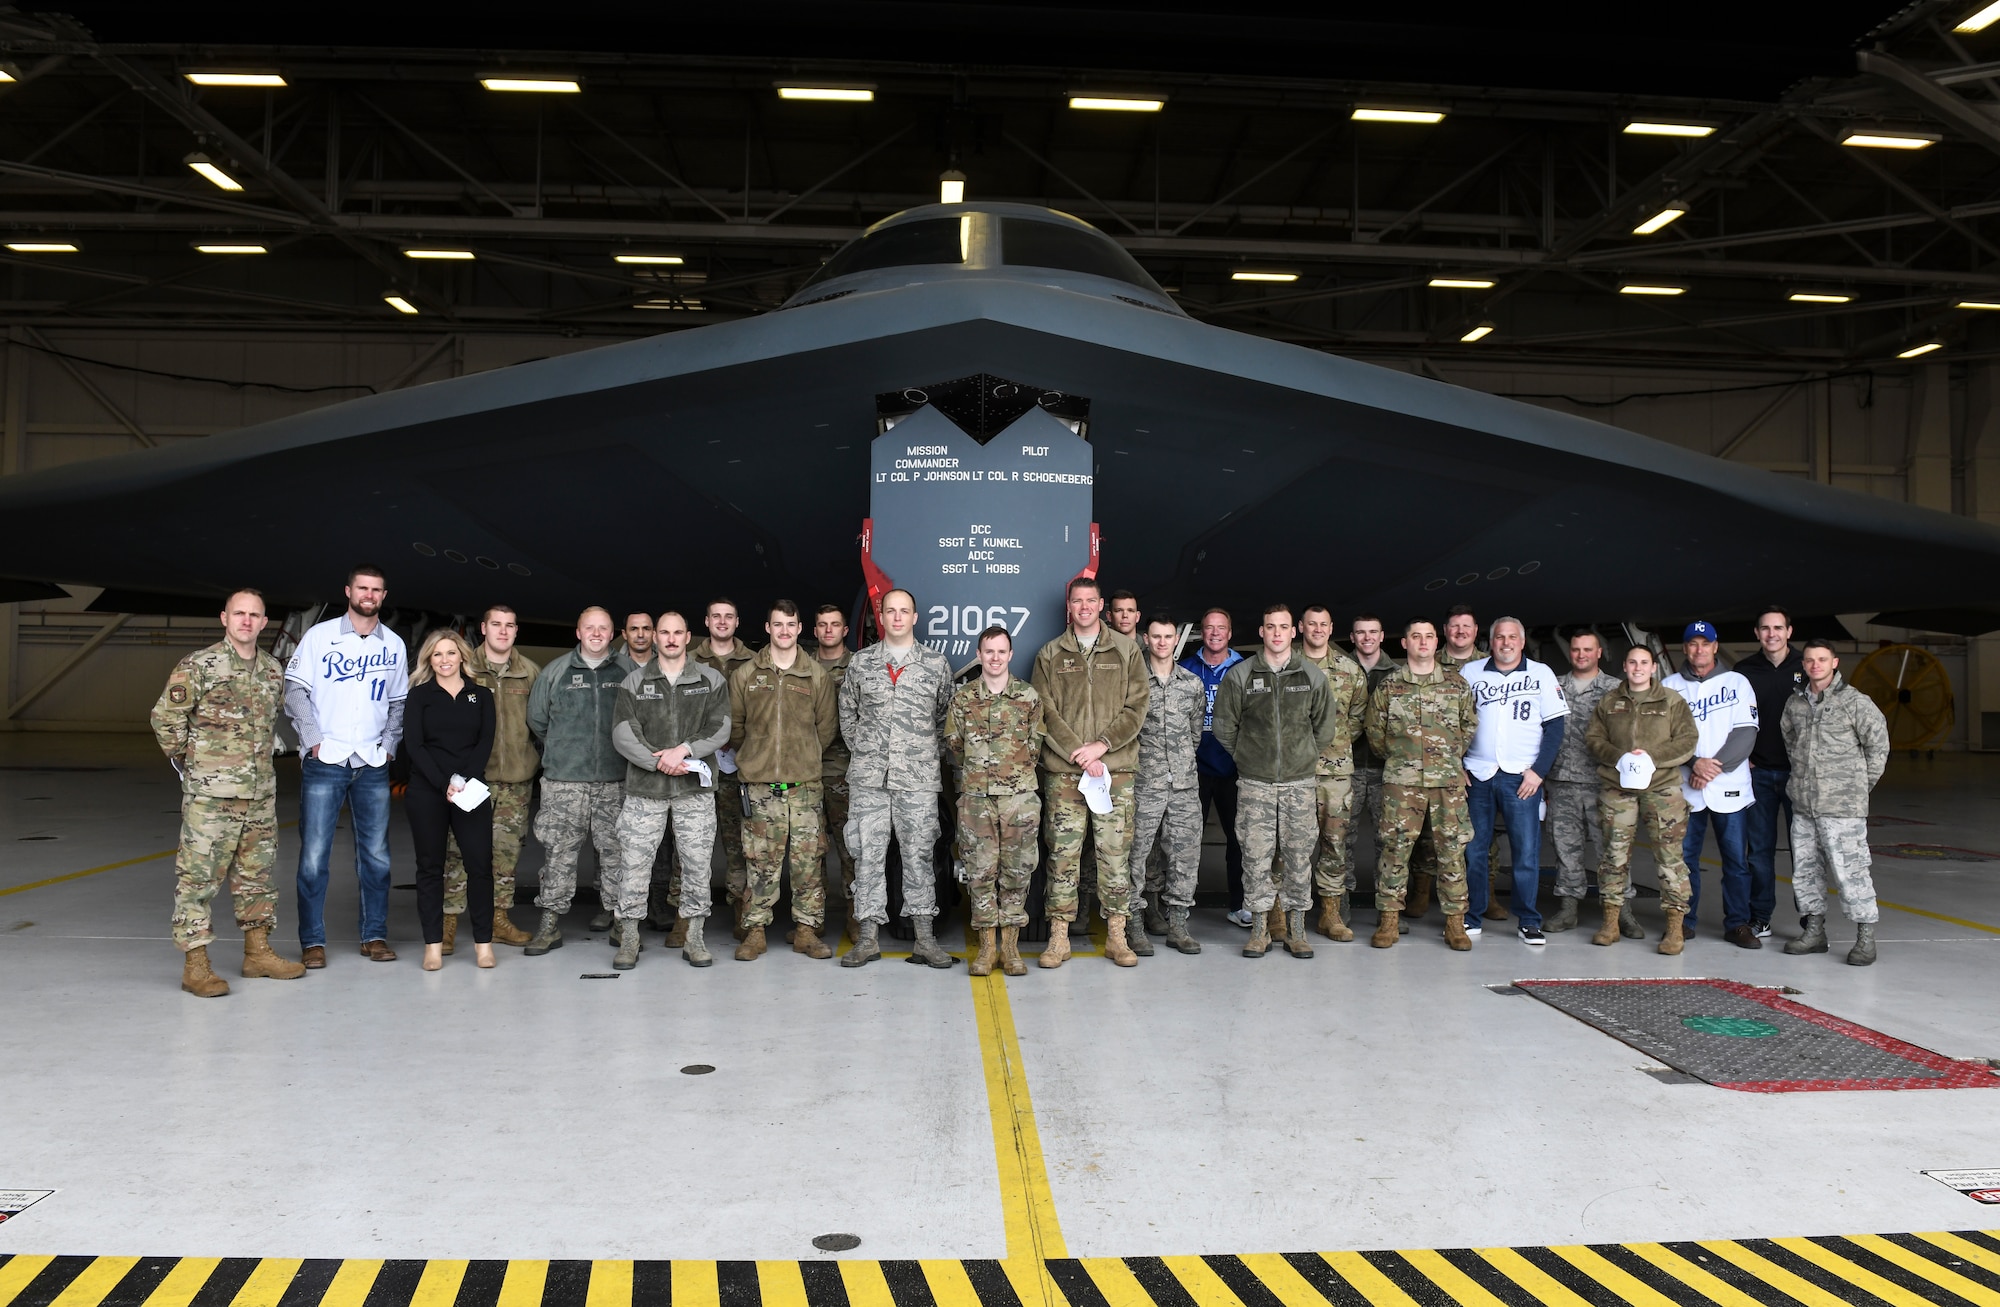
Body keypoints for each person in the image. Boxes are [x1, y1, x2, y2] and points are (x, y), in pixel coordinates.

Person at [150, 588, 305, 995]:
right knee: (198, 879)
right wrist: (195, 764)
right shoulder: (200, 665)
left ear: (264, 622)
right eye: (240, 614)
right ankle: (196, 964)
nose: (247, 621)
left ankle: (258, 953)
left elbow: (272, 723)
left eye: (255, 615)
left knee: (257, 876)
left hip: (259, 794)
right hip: (212, 796)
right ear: (225, 618)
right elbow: (166, 718)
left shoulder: (273, 671)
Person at [285, 564, 408, 966]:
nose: (369, 595)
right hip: (327, 760)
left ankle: (374, 936)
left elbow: (398, 702)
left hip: (372, 762)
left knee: (376, 856)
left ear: (383, 596)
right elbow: (295, 690)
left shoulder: (394, 645)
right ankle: (312, 942)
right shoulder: (319, 637)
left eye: (376, 589)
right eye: (362, 588)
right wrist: (313, 742)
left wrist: (389, 745)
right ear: (348, 591)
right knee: (314, 857)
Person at [1033, 576, 1151, 968]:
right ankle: (1059, 938)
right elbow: (1044, 711)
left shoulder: (1126, 650)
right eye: (1077, 601)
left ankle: (1116, 936)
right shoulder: (1050, 654)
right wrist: (1077, 753)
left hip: (1115, 771)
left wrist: (1101, 746)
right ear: (1070, 606)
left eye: (1091, 601)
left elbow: (1136, 708)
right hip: (1065, 773)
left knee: (1115, 855)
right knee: (1062, 856)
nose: (1084, 607)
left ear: (1101, 606)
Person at [839, 588, 955, 967]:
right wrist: (871, 752)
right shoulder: (861, 664)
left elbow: (944, 721)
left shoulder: (935, 665)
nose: (898, 617)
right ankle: (868, 939)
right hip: (870, 779)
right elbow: (848, 715)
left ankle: (924, 939)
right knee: (867, 856)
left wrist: (919, 756)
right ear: (881, 617)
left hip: (917, 781)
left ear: (915, 618)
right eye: (891, 611)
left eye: (905, 611)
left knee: (919, 857)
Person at [1212, 603, 1336, 958]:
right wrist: (1248, 757)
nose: (1278, 633)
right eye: (1271, 627)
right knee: (1255, 858)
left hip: (1299, 784)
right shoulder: (1241, 676)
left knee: (1299, 857)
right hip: (1255, 785)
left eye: (1284, 626)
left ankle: (1297, 931)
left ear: (1293, 632)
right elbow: (1224, 727)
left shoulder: (1311, 676)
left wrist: (1302, 755)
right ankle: (1260, 930)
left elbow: (1324, 728)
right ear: (1261, 632)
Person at [608, 611, 730, 968]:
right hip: (646, 788)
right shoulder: (634, 681)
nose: (672, 639)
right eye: (665, 633)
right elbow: (622, 731)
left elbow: (721, 726)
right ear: (656, 638)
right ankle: (628, 937)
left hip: (694, 790)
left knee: (696, 866)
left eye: (678, 632)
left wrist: (685, 750)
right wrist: (657, 761)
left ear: (688, 637)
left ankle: (694, 938)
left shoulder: (710, 680)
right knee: (633, 864)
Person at [725, 600, 838, 961]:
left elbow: (826, 728)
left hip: (804, 786)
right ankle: (755, 930)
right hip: (759, 787)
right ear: (767, 628)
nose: (785, 631)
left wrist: (800, 756)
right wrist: (759, 756)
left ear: (800, 628)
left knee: (808, 862)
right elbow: (736, 726)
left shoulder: (815, 675)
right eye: (778, 625)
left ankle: (806, 930)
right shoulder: (746, 675)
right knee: (760, 862)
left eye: (791, 624)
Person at [522, 607, 634, 956]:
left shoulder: (628, 672)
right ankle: (550, 923)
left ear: (613, 632)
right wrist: (567, 750)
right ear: (578, 632)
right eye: (590, 628)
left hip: (614, 781)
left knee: (617, 853)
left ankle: (619, 920)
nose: (597, 634)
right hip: (564, 782)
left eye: (603, 628)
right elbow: (538, 721)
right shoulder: (556, 672)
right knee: (558, 855)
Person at [1363, 618, 1475, 950]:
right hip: (1402, 781)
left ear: (1436, 642)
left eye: (1428, 636)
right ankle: (1389, 922)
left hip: (1447, 782)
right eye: (1416, 636)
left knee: (1452, 850)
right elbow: (1375, 733)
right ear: (1404, 643)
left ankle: (1455, 924)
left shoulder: (1456, 685)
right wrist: (1403, 759)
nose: (1423, 642)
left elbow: (1468, 727)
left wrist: (1446, 758)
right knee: (1395, 850)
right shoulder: (1389, 685)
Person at [1780, 639, 1890, 965]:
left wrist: (1857, 788)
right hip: (1804, 805)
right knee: (1805, 871)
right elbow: (1790, 743)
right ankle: (1814, 931)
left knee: (1851, 872)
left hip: (1842, 808)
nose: (1816, 665)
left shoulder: (1855, 703)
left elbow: (1878, 748)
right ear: (1804, 665)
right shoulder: (1795, 704)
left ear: (1835, 662)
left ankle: (1865, 937)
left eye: (1822, 659)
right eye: (1810, 660)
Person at [1585, 644, 1699, 955]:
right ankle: (1610, 922)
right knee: (1613, 856)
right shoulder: (1610, 701)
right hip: (1618, 787)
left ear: (1653, 668)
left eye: (1644, 663)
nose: (1638, 668)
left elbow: (1688, 740)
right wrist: (1618, 757)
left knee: (1670, 859)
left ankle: (1675, 927)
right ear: (1625, 665)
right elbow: (1594, 738)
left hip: (1662, 788)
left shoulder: (1671, 701)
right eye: (1633, 662)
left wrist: (1653, 758)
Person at [1459, 616, 1567, 945]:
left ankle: (1528, 920)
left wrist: (1538, 772)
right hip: (1477, 774)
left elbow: (1555, 727)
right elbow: (1453, 722)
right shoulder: (1471, 673)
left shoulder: (1541, 674)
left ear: (1521, 642)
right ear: (1490, 642)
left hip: (1522, 777)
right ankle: (1472, 914)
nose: (1506, 643)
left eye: (1512, 638)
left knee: (1526, 853)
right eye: (1499, 638)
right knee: (1475, 850)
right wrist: (1457, 764)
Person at [946, 626, 1046, 976]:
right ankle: (987, 948)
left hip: (1019, 798)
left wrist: (1010, 775)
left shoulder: (1028, 697)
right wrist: (980, 776)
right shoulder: (963, 699)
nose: (995, 657)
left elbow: (1036, 747)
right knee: (980, 872)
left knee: (1017, 872)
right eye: (989, 651)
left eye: (1001, 651)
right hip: (976, 800)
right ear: (979, 654)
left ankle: (1011, 949)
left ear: (1010, 655)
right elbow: (955, 746)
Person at [441, 605, 539, 950]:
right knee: (456, 851)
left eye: (509, 625)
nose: (503, 631)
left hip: (514, 781)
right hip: (470, 779)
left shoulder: (529, 673)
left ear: (516, 631)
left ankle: (498, 919)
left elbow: (541, 725)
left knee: (506, 854)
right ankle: (448, 921)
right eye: (496, 624)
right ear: (483, 628)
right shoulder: (464, 668)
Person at [403, 629, 498, 972]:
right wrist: (444, 783)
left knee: (480, 866)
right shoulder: (419, 696)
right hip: (427, 791)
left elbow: (485, 742)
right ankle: (432, 946)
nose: (445, 660)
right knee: (430, 869)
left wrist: (462, 783)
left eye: (451, 653)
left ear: (462, 657)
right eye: (437, 654)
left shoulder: (482, 695)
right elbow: (415, 746)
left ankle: (483, 945)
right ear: (429, 659)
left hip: (470, 792)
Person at [1663, 622, 1760, 948]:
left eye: (1705, 643)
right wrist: (1694, 763)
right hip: (1685, 787)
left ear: (1716, 647)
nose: (1699, 649)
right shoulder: (1669, 686)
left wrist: (1708, 769)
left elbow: (1745, 733)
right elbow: (1667, 737)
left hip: (1728, 787)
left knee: (1735, 861)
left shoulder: (1737, 682)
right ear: (1685, 648)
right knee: (1684, 860)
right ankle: (1684, 921)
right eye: (1693, 643)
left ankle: (1737, 924)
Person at [1542, 631, 1637, 937]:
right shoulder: (1553, 685)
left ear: (1599, 653)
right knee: (1565, 847)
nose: (1581, 654)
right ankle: (1568, 908)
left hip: (1604, 782)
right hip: (1562, 780)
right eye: (1576, 649)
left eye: (1587, 649)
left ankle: (1623, 911)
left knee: (1613, 848)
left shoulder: (1615, 689)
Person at [1129, 615, 1206, 955]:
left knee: (1184, 855)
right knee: (1135, 855)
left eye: (1168, 636)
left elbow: (1194, 735)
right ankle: (1133, 923)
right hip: (1144, 782)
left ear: (1177, 639)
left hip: (1184, 784)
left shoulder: (1191, 683)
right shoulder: (1134, 682)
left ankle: (1178, 924)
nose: (1162, 642)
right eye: (1156, 636)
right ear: (1146, 639)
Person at [1297, 604, 1368, 942]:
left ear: (1331, 627)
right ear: (1301, 627)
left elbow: (1356, 719)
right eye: (1312, 624)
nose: (1318, 630)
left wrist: (1332, 744)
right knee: (1288, 845)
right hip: (1292, 772)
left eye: (1323, 624)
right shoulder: (1288, 665)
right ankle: (1283, 913)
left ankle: (1330, 913)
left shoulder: (1349, 670)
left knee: (1335, 844)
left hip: (1335, 773)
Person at [1737, 608, 1805, 940]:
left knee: (1803, 849)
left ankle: (1810, 920)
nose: (1772, 634)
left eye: (1778, 628)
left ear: (1789, 631)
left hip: (1798, 776)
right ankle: (1760, 917)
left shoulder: (1808, 667)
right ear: (1757, 632)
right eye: (1765, 628)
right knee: (1760, 851)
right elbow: (1732, 721)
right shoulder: (1743, 671)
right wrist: (1742, 757)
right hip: (1759, 773)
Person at [693, 598, 756, 933]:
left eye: (728, 616)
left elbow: (758, 715)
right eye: (715, 616)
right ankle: (684, 917)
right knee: (690, 845)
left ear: (736, 622)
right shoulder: (689, 661)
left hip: (736, 768)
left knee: (738, 845)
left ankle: (740, 908)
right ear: (707, 622)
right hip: (695, 768)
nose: (721, 621)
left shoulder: (754, 662)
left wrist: (737, 740)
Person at [1182, 608, 1248, 925]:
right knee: (1185, 841)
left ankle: (1238, 905)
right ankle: (1180, 907)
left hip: (1234, 769)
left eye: (1221, 628)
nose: (1215, 633)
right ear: (1202, 632)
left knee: (1239, 840)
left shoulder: (1244, 669)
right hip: (1194, 769)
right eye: (1209, 628)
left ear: (1230, 632)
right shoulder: (1186, 668)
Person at [1344, 614, 1403, 931]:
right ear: (1352, 638)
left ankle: (1389, 911)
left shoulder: (1398, 675)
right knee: (1340, 841)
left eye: (1372, 632)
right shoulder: (1340, 670)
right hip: (1347, 769)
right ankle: (1339, 907)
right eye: (1360, 633)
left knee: (1390, 843)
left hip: (1386, 771)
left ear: (1382, 636)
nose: (1367, 638)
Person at [812, 603, 857, 937]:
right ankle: (811, 919)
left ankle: (856, 916)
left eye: (835, 625)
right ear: (815, 631)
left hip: (845, 772)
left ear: (844, 630)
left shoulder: (859, 666)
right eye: (822, 625)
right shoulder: (802, 667)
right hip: (808, 771)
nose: (829, 630)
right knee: (810, 851)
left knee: (850, 849)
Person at [1440, 606, 1481, 672]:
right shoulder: (1428, 662)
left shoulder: (1490, 664)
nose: (1460, 631)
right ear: (1445, 629)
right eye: (1455, 626)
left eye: (1466, 626)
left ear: (1475, 630)